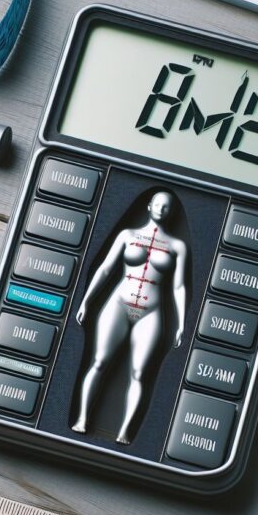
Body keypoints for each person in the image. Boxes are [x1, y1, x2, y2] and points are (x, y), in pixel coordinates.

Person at [72, 190, 188, 444]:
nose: (161, 209)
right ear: (149, 206)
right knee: (99, 361)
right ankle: (82, 418)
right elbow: (105, 269)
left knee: (139, 372)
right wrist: (86, 301)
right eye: (157, 204)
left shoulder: (177, 247)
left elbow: (179, 287)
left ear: (172, 212)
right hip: (118, 304)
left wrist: (181, 323)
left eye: (167, 206)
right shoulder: (128, 235)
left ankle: (125, 431)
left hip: (151, 312)